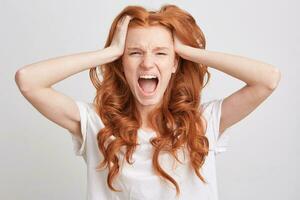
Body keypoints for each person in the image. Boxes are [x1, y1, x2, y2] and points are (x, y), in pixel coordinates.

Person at [14, 4, 281, 200]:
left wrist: (186, 51)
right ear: (121, 63)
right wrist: (110, 52)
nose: (147, 63)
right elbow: (28, 80)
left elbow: (268, 79)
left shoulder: (203, 122)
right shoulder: (96, 125)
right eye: (134, 53)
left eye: (161, 53)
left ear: (175, 63)